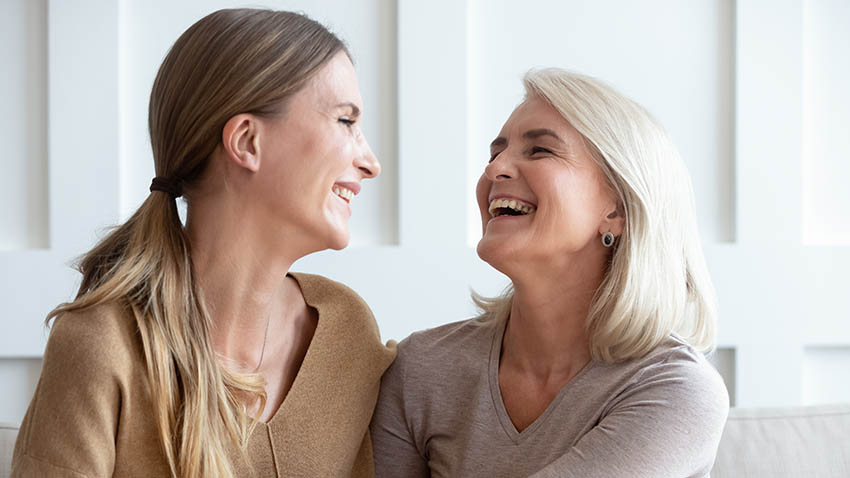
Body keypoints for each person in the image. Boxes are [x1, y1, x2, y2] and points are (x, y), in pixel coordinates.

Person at [12, 8, 395, 478]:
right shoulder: (103, 347)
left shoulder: (347, 330)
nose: (370, 162)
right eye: (345, 121)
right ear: (247, 142)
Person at [370, 69, 729, 477]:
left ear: (617, 211)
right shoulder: (421, 368)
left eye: (540, 150)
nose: (495, 170)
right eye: (494, 153)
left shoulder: (674, 390)